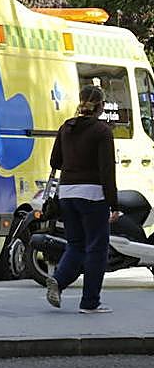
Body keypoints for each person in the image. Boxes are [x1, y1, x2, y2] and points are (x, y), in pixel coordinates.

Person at [45, 84, 119, 314]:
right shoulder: (101, 131)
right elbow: (107, 170)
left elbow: (54, 162)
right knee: (97, 248)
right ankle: (89, 302)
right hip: (93, 195)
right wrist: (113, 203)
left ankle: (59, 279)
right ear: (101, 106)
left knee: (76, 244)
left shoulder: (66, 127)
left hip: (67, 193)